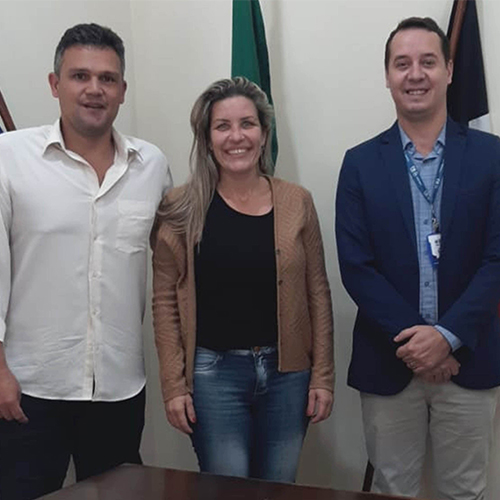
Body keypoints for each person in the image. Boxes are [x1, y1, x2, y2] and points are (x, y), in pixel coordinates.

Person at [0, 23, 172, 500]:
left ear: (122, 90)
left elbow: (171, 270)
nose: (94, 89)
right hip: (30, 387)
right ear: (55, 84)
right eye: (80, 76)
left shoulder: (152, 165)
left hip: (119, 386)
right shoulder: (9, 158)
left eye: (107, 78)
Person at [336, 17, 500, 500]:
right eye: (402, 63)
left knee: (465, 492)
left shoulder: (492, 156)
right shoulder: (360, 163)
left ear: (449, 70)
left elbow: (497, 258)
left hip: (470, 359)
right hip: (389, 361)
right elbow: (356, 267)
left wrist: (446, 338)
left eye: (428, 62)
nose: (415, 74)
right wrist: (418, 342)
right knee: (392, 489)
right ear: (387, 76)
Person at [152, 77, 334, 482]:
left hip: (288, 376)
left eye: (247, 124)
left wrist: (323, 376)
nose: (237, 137)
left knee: (279, 486)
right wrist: (174, 386)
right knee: (227, 487)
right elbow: (164, 301)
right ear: (207, 138)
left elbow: (317, 293)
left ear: (264, 133)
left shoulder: (297, 202)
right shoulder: (180, 207)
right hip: (214, 377)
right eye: (223, 126)